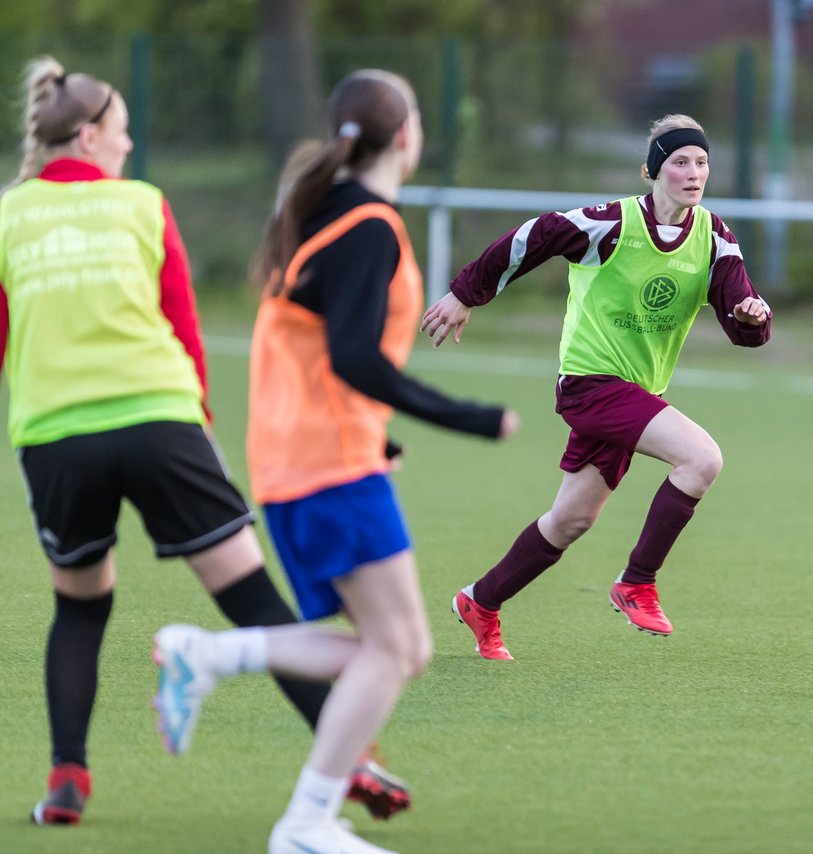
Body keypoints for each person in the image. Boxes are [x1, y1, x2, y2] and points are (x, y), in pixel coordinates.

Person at [0, 56, 406, 827]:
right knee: (251, 596)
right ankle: (350, 757)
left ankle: (66, 783)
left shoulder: (6, 215)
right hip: (161, 424)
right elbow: (184, 328)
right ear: (88, 136)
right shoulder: (144, 205)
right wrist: (201, 433)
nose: (127, 147)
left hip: (56, 439)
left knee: (80, 610)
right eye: (121, 134)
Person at [152, 69, 517, 854]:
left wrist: (374, 436)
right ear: (407, 137)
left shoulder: (324, 213)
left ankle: (213, 658)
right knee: (396, 648)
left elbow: (310, 351)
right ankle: (306, 820)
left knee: (401, 649)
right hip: (324, 464)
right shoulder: (369, 225)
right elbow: (354, 357)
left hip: (308, 458)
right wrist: (472, 418)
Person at [420, 113, 771, 660]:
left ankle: (480, 602)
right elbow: (531, 237)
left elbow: (740, 321)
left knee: (571, 520)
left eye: (702, 162)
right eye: (680, 161)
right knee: (702, 460)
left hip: (634, 396)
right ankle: (637, 582)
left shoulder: (714, 237)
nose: (693, 172)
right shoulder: (611, 224)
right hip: (590, 384)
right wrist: (467, 293)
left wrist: (752, 318)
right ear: (653, 170)